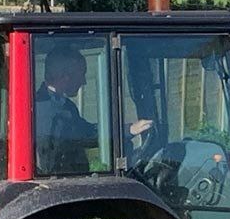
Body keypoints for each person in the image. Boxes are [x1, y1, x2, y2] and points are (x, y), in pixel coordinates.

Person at [35, 46, 152, 174]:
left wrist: (127, 130)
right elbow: (81, 138)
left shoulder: (65, 106)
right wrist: (127, 130)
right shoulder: (41, 110)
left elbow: (87, 131)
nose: (84, 81)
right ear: (65, 76)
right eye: (82, 75)